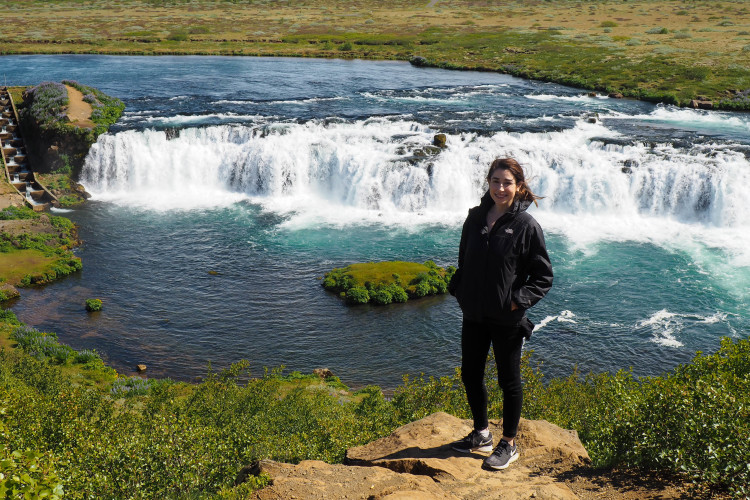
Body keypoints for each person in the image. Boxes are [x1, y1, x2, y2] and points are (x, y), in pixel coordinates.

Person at [448, 157, 553, 470]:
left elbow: (543, 277)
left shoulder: (526, 226)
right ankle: (481, 434)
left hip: (507, 318)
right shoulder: (475, 217)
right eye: (495, 181)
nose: (501, 188)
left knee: (509, 381)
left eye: (507, 182)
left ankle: (509, 443)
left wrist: (516, 300)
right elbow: (464, 260)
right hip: (475, 314)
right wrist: (458, 287)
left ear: (518, 187)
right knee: (470, 374)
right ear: (488, 183)